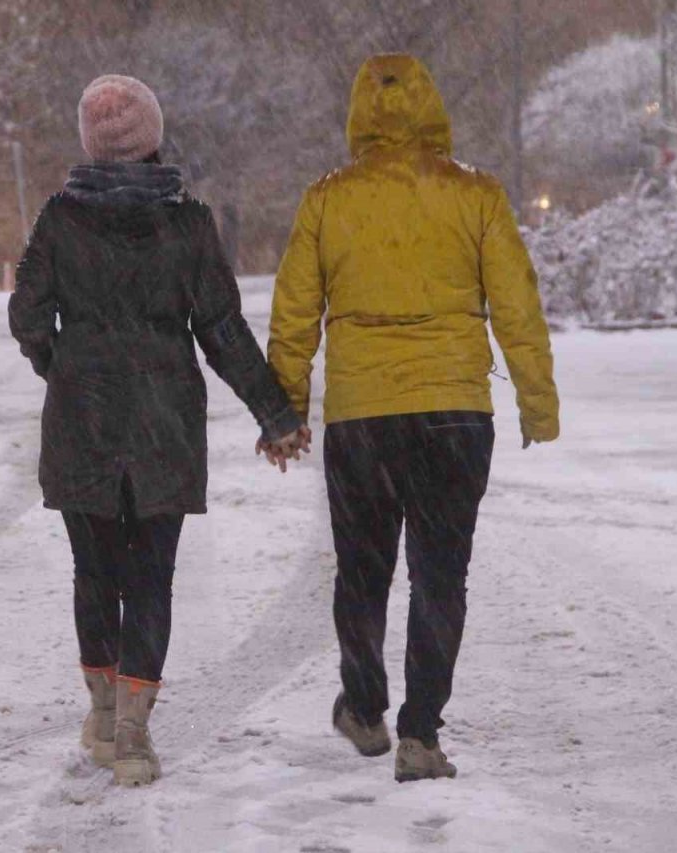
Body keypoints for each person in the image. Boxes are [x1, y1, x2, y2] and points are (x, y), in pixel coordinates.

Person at [263, 54, 560, 782]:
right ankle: (421, 734)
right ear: (432, 107)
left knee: (363, 572)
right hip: (455, 414)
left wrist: (283, 409)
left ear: (358, 114)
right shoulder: (475, 193)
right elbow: (517, 304)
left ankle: (365, 709)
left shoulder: (328, 199)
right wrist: (536, 399)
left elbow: (294, 314)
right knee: (440, 576)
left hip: (363, 416)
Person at [9, 74, 309, 788]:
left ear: (90, 142)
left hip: (82, 419)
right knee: (150, 577)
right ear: (153, 139)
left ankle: (102, 713)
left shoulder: (60, 220)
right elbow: (222, 330)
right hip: (164, 420)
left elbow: (26, 315)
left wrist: (63, 366)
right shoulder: (188, 225)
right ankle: (134, 736)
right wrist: (275, 414)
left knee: (93, 571)